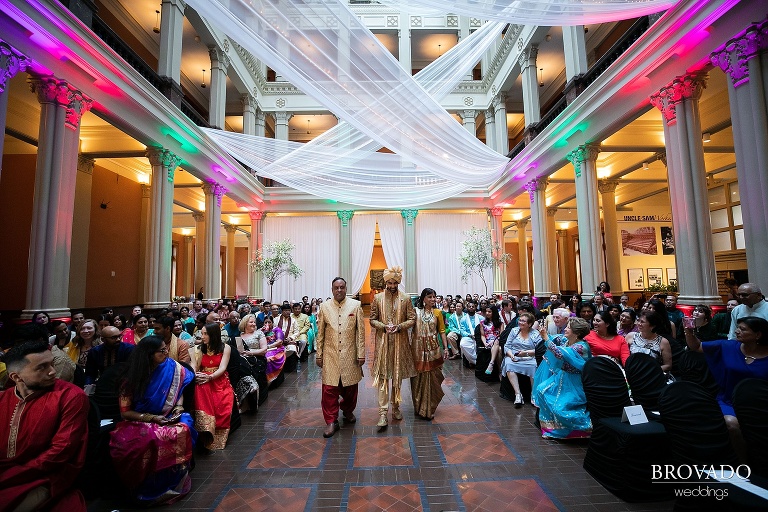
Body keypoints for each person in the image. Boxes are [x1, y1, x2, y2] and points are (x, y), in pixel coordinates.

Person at [0, 340, 90, 512]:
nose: (52, 372)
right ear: (16, 377)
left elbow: (61, 451)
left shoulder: (71, 396)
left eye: (51, 364)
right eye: (41, 367)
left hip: (48, 475)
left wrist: (11, 476)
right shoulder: (3, 399)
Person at [109, 336, 196, 505]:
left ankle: (175, 482)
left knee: (182, 427)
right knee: (149, 439)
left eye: (165, 349)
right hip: (140, 418)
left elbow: (179, 391)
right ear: (148, 354)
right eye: (161, 351)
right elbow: (126, 412)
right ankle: (149, 489)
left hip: (170, 414)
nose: (166, 353)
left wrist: (178, 408)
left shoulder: (173, 368)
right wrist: (151, 418)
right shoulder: (131, 377)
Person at [684, 316, 768, 461]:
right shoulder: (727, 346)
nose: (736, 331)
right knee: (731, 423)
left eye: (742, 329)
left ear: (758, 335)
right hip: (729, 401)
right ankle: (744, 464)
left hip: (761, 404)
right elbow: (696, 347)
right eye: (737, 327)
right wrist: (689, 332)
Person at [316, 277, 365, 438]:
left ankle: (348, 410)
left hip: (350, 353)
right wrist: (319, 355)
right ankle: (331, 421)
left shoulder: (355, 306)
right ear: (332, 289)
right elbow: (320, 333)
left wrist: (361, 354)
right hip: (330, 354)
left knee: (350, 388)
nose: (339, 290)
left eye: (342, 287)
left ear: (346, 288)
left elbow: (360, 332)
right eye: (336, 288)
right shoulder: (324, 307)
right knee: (329, 389)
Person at [369, 266, 416, 429]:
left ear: (398, 282)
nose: (391, 286)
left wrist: (399, 326)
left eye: (394, 282)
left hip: (399, 344)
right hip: (383, 344)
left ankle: (396, 407)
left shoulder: (406, 298)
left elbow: (412, 319)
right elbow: (372, 319)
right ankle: (382, 413)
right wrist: (382, 326)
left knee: (396, 377)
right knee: (383, 378)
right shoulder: (378, 298)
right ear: (385, 282)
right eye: (389, 282)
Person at [533, 318, 593, 439]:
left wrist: (545, 338)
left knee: (560, 408)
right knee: (541, 390)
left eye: (568, 327)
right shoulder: (567, 340)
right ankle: (550, 428)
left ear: (576, 333)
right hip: (562, 377)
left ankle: (583, 429)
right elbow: (556, 339)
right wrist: (545, 332)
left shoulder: (581, 347)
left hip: (574, 382)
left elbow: (559, 353)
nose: (565, 329)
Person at [192, 323, 234, 450]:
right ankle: (204, 431)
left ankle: (216, 437)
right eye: (202, 333)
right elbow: (194, 366)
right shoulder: (198, 349)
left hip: (218, 379)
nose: (202, 336)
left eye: (205, 334)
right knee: (199, 388)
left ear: (213, 335)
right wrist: (196, 375)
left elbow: (223, 368)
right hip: (202, 377)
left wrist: (210, 377)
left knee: (222, 403)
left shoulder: (225, 348)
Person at [410, 287, 446, 420]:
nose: (432, 299)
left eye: (434, 297)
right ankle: (419, 406)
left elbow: (441, 331)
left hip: (433, 350)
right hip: (417, 349)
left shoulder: (438, 313)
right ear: (423, 298)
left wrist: (446, 348)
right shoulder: (415, 311)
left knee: (433, 379)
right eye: (429, 297)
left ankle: (429, 407)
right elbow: (408, 325)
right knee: (417, 379)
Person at [501, 312, 542, 407]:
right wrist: (511, 356)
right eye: (520, 320)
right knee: (509, 364)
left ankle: (533, 394)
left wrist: (525, 353)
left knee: (534, 366)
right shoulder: (514, 331)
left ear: (530, 324)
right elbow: (507, 346)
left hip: (529, 356)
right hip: (514, 355)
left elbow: (538, 350)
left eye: (523, 321)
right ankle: (518, 394)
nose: (520, 322)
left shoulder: (535, 334)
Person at [261, 316, 286, 384]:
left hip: (276, 349)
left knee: (268, 358)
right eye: (265, 322)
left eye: (269, 322)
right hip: (265, 349)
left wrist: (269, 346)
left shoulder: (277, 330)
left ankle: (270, 379)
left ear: (272, 323)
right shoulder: (262, 331)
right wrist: (261, 331)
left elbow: (279, 342)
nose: (267, 324)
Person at [480, 306, 503, 375]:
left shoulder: (500, 323)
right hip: (488, 342)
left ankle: (491, 364)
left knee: (498, 345)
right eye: (486, 311)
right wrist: (485, 343)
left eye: (489, 312)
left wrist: (494, 341)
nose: (487, 313)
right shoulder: (482, 323)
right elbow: (483, 335)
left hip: (497, 341)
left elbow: (501, 335)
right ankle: (500, 371)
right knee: (499, 350)